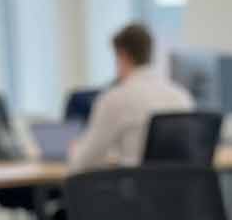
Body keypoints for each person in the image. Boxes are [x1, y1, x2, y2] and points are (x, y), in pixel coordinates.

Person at [67, 22, 193, 172]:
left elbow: (84, 162)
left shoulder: (115, 98)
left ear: (122, 54)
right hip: (179, 191)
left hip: (134, 190)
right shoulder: (182, 96)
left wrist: (74, 150)